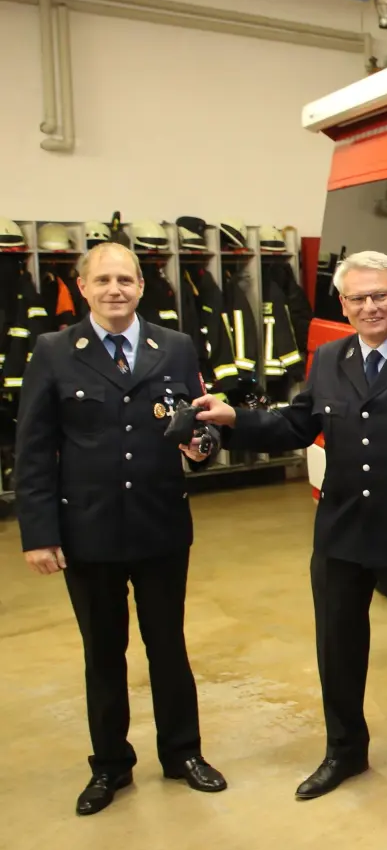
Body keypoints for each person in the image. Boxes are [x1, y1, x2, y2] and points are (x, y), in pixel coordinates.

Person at [192, 250, 387, 800]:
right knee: (338, 646)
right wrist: (234, 423)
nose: (370, 306)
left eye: (380, 295)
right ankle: (344, 750)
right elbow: (297, 424)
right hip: (342, 531)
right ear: (343, 305)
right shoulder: (327, 360)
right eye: (358, 298)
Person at [14, 240, 228, 816]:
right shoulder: (55, 351)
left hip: (160, 525)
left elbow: (200, 429)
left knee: (168, 647)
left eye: (126, 280)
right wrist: (38, 532)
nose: (115, 290)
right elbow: (33, 449)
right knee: (104, 653)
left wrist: (202, 444)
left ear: (141, 287)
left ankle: (184, 753)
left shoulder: (175, 347)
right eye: (103, 280)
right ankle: (110, 766)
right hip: (88, 531)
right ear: (82, 287)